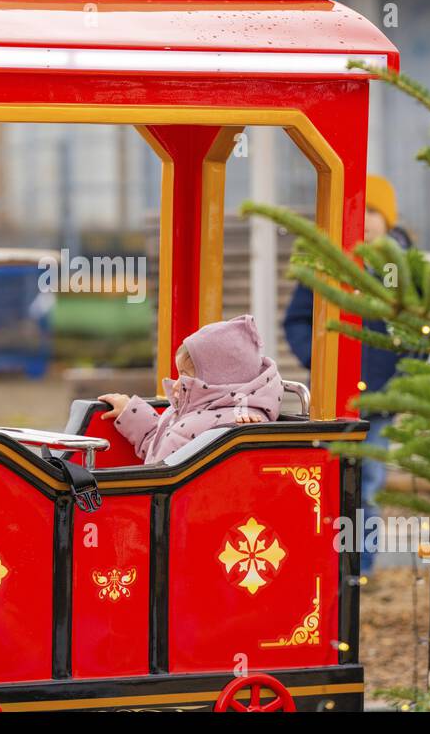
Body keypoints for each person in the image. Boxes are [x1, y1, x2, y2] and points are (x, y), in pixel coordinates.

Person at [283, 174, 414, 576]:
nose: (366, 222)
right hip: (332, 399)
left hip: (377, 403)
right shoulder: (329, 267)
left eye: (373, 212)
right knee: (325, 485)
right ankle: (326, 567)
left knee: (368, 485)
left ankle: (360, 570)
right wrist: (319, 360)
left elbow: (419, 333)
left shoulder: (404, 271)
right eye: (359, 214)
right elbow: (297, 320)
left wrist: (401, 381)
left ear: (389, 219)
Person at [98, 314, 282, 464]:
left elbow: (241, 467)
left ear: (219, 379)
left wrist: (247, 435)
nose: (177, 385)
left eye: (187, 376)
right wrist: (131, 412)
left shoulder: (239, 418)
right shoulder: (188, 408)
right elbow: (158, 446)